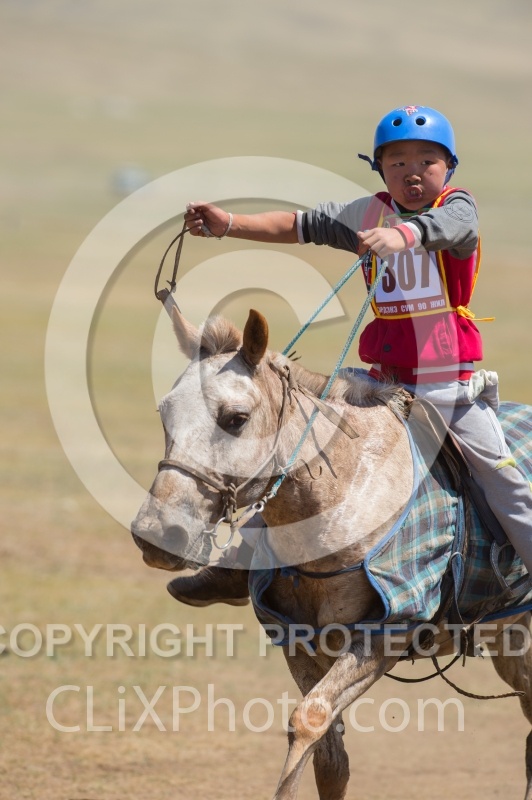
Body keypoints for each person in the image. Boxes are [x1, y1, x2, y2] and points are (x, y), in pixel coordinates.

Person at [167, 104, 532, 607]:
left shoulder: (457, 207)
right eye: (397, 162)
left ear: (448, 166)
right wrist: (229, 223)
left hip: (445, 386)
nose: (412, 172)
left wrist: (401, 234)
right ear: (380, 169)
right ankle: (235, 568)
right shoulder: (366, 216)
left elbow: (448, 225)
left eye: (426, 161)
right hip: (379, 381)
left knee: (503, 479)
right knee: (296, 448)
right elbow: (297, 225)